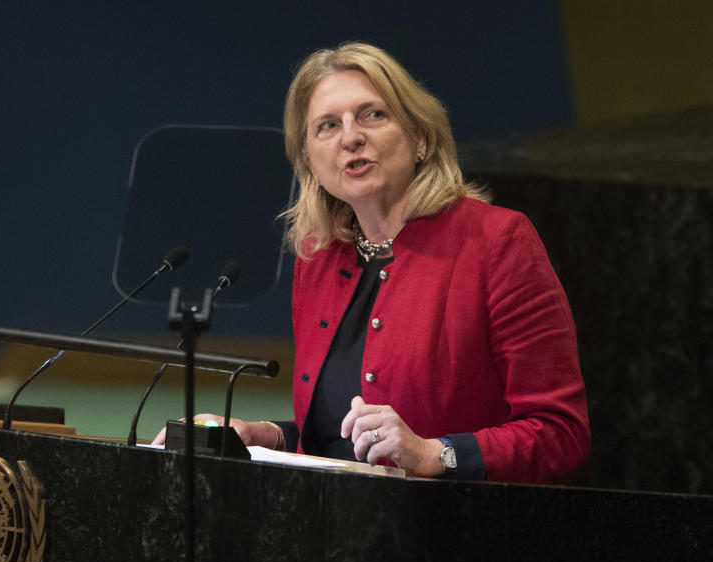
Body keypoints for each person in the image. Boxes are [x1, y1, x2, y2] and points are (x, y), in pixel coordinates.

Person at [156, 42, 589, 484]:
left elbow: (561, 434)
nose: (350, 137)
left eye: (373, 115)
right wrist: (264, 436)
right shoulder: (318, 259)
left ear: (420, 137)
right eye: (328, 125)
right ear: (309, 161)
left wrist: (436, 454)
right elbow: (336, 440)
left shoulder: (497, 241)